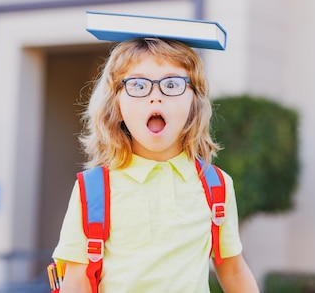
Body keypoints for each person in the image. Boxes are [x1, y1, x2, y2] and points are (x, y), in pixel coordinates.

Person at [52, 37, 259, 293]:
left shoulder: (216, 185)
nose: (156, 97)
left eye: (171, 84)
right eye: (138, 85)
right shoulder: (93, 190)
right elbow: (76, 282)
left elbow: (233, 269)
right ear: (116, 103)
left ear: (194, 101)